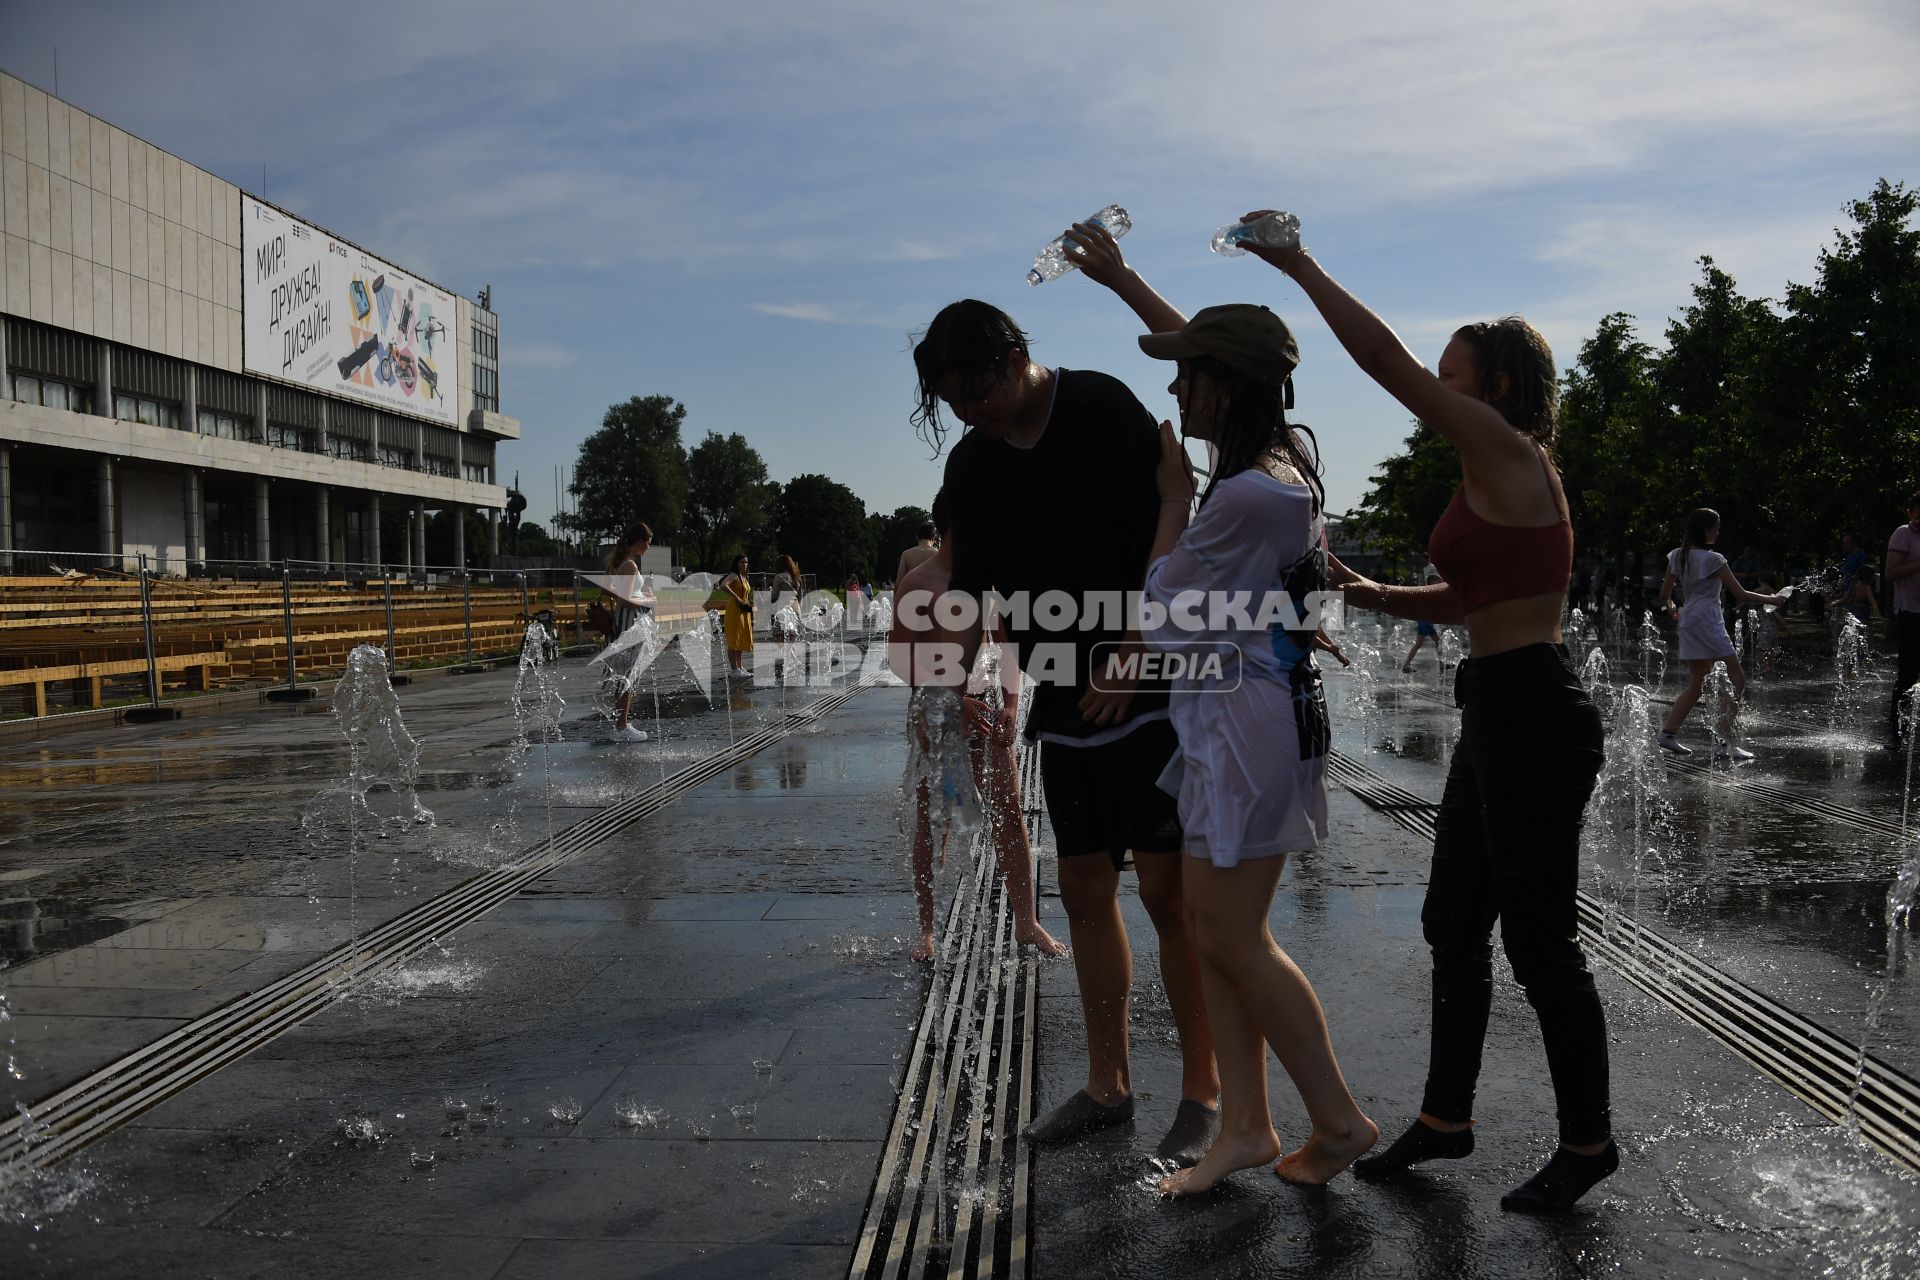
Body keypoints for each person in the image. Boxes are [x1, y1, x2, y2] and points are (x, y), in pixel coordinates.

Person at [1233, 213, 1615, 1212]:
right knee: (1455, 919)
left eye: (1451, 377)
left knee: (1540, 941)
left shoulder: (1507, 449)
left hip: (1534, 706)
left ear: (1492, 388)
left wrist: (1300, 264)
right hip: (1498, 700)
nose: (1433, 392)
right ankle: (1448, 1118)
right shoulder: (1488, 472)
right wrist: (1363, 592)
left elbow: (1377, 357)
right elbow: (1465, 601)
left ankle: (1588, 1141)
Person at [1070, 221, 1377, 1192]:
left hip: (1249, 723)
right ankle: (1244, 1125)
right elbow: (1206, 341)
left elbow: (1161, 604)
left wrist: (1169, 497)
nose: (1171, 389)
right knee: (1213, 931)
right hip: (1238, 715)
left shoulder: (1244, 493)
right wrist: (1123, 281)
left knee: (1234, 935)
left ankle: (1337, 1116)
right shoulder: (1274, 460)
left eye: (1185, 376)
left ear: (1224, 389)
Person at [911, 297, 1221, 1169]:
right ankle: (1109, 1084)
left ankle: (1202, 1090)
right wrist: (956, 687)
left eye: (973, 389)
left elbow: (1174, 526)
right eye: (950, 400)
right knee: (1085, 891)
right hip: (1062, 694)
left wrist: (1133, 646)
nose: (966, 412)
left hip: (1149, 685)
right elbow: (972, 584)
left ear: (1013, 359)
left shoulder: (1100, 406)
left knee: (1167, 894)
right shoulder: (974, 465)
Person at [890, 490, 1067, 962]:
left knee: (1009, 812)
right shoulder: (920, 584)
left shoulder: (989, 580)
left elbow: (1006, 648)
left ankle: (1027, 924)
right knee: (935, 818)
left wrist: (1011, 704)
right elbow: (900, 658)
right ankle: (927, 930)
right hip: (937, 709)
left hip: (986, 703)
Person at [1655, 509, 1788, 761]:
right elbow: (1742, 595)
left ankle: (1668, 734)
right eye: (1715, 527)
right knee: (1737, 678)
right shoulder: (1713, 559)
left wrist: (1673, 608)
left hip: (1689, 620)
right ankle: (1725, 742)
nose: (1718, 532)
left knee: (1698, 683)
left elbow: (1665, 595)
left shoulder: (1677, 556)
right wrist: (1774, 598)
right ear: (1705, 530)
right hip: (1708, 621)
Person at [601, 524, 655, 741]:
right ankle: (622, 726)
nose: (649, 547)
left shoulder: (622, 563)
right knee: (628, 677)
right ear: (640, 541)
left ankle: (621, 723)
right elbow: (624, 600)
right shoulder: (630, 565)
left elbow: (615, 593)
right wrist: (649, 599)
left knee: (624, 676)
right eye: (649, 542)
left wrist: (641, 593)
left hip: (623, 624)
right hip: (629, 624)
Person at [1886, 494, 1920, 751]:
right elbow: (1891, 573)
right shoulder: (1903, 534)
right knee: (1908, 673)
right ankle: (1896, 730)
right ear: (1910, 513)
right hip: (1911, 614)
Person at [720, 555, 754, 678]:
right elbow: (723, 585)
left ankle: (739, 667)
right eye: (741, 562)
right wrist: (737, 597)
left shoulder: (744, 577)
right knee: (734, 638)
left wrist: (748, 603)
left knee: (740, 638)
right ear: (736, 563)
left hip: (743, 610)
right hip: (734, 609)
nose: (744, 564)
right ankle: (734, 669)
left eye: (746, 562)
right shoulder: (734, 575)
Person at [770, 555, 803, 679]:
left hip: (783, 607)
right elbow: (800, 596)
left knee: (778, 635)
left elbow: (774, 596)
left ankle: (792, 660)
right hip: (795, 606)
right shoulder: (797, 577)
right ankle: (792, 661)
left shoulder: (779, 576)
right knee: (791, 636)